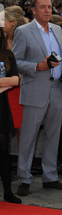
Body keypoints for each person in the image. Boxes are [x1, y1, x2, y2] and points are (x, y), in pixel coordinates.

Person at [12, 0, 62, 196]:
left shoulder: (57, 29)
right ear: (34, 10)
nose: (47, 10)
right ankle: (24, 178)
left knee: (53, 136)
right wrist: (37, 66)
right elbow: (16, 61)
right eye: (43, 7)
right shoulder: (23, 32)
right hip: (35, 89)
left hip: (56, 90)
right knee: (28, 137)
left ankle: (50, 176)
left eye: (50, 7)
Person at [0, 27, 22, 204]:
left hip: (2, 107)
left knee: (4, 151)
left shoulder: (7, 54)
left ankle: (7, 191)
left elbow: (15, 80)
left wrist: (6, 82)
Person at [4, 6, 28, 142]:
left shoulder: (24, 38)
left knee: (21, 129)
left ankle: (23, 162)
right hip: (4, 89)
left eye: (3, 20)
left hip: (20, 89)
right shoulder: (2, 39)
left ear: (12, 22)